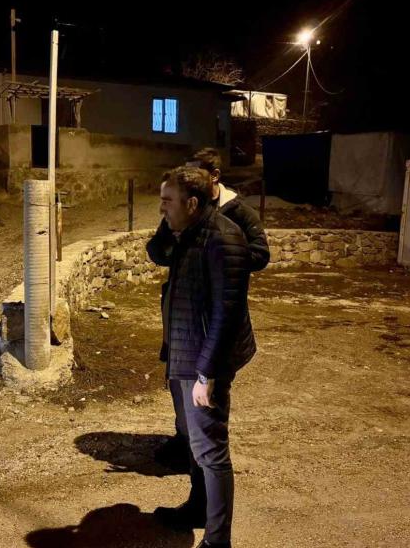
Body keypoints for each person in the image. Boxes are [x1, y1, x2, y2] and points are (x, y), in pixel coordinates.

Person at [148, 167, 256, 548]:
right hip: (185, 354)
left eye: (168, 201)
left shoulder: (224, 239)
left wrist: (206, 374)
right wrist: (169, 224)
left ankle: (217, 540)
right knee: (196, 446)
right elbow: (155, 252)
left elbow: (226, 315)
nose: (161, 208)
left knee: (211, 452)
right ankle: (198, 508)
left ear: (192, 203)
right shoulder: (189, 233)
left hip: (204, 363)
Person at [151, 147, 269, 469]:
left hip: (212, 310)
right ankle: (184, 440)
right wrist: (173, 244)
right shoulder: (181, 212)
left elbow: (260, 254)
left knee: (208, 389)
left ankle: (205, 457)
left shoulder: (238, 213)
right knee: (177, 379)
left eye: (195, 172)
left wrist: (220, 257)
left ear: (214, 176)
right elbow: (157, 251)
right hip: (181, 311)